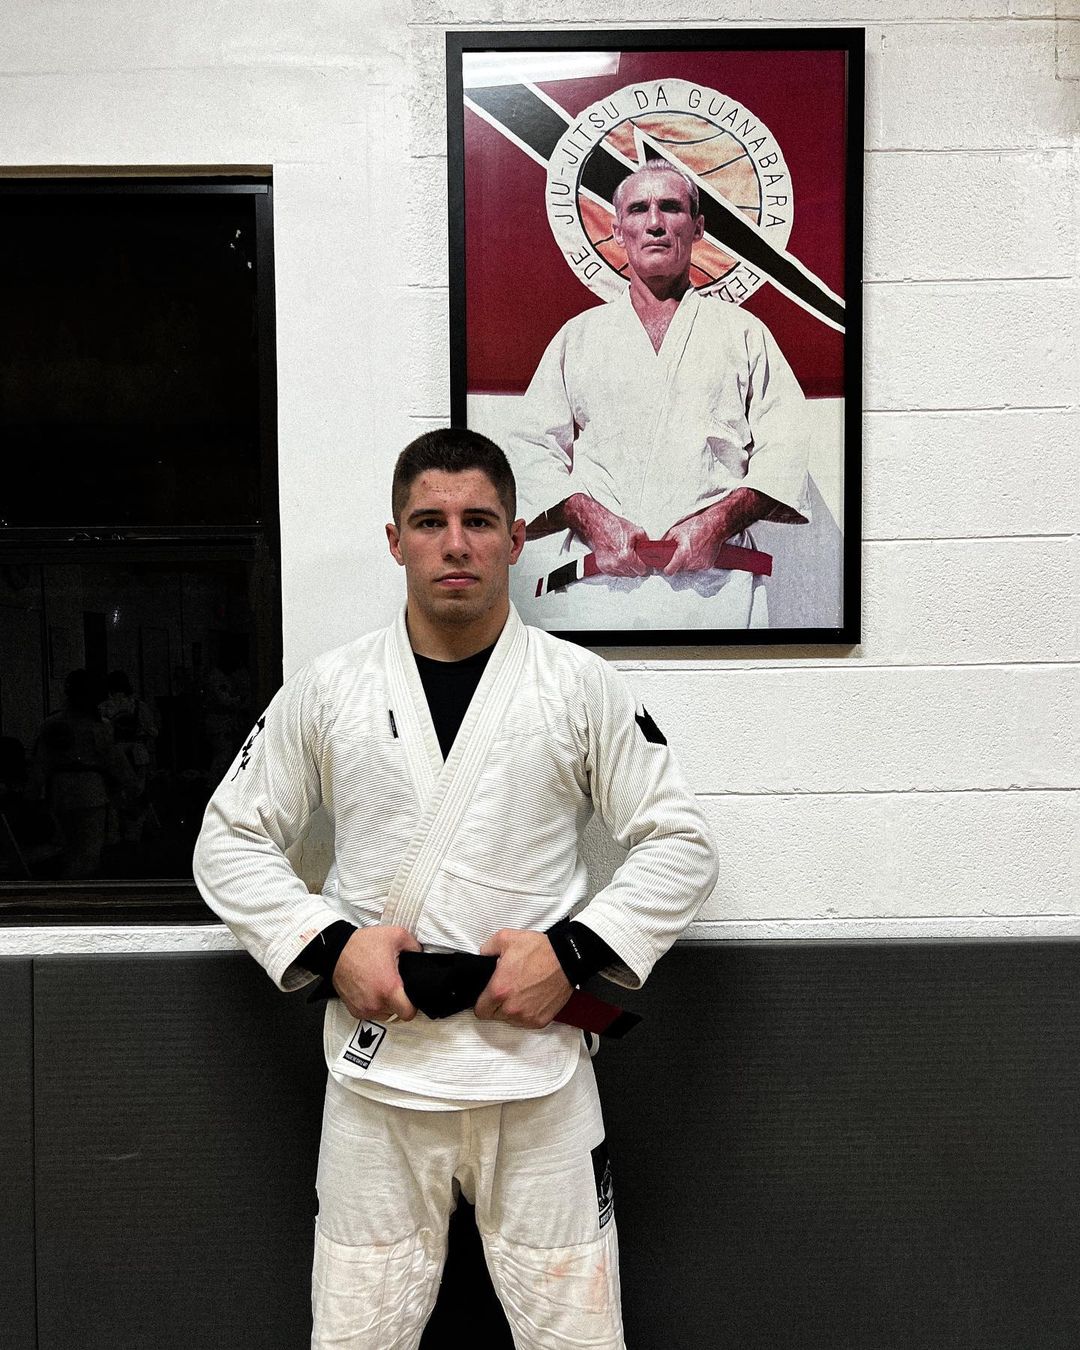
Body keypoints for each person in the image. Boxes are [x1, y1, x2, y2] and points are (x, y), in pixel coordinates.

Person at [193, 428, 718, 1349]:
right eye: (429, 522)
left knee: (578, 1334)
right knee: (356, 1334)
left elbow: (681, 845)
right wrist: (332, 948)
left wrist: (570, 955)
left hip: (539, 1071)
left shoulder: (579, 687)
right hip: (380, 1075)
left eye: (479, 521)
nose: (455, 543)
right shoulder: (329, 690)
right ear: (395, 540)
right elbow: (227, 841)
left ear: (516, 539)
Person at [507, 161, 811, 631]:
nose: (654, 222)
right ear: (617, 230)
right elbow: (531, 447)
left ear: (698, 227)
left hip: (717, 587)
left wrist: (717, 524)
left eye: (670, 207)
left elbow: (785, 444)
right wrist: (591, 519)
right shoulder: (580, 336)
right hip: (600, 586)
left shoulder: (742, 333)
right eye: (638, 209)